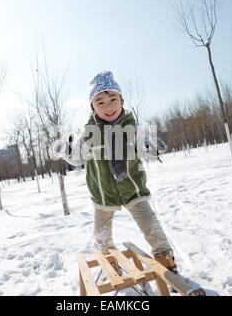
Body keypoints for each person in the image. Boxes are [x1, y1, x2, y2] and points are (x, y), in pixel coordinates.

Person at [53, 71, 177, 275]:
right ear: (92, 108)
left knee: (151, 225)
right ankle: (111, 264)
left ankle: (165, 260)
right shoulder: (89, 134)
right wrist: (66, 151)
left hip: (132, 188)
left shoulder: (133, 128)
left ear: (122, 100)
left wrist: (151, 147)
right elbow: (78, 157)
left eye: (113, 99)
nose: (108, 106)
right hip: (103, 193)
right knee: (101, 234)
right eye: (100, 102)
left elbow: (144, 148)